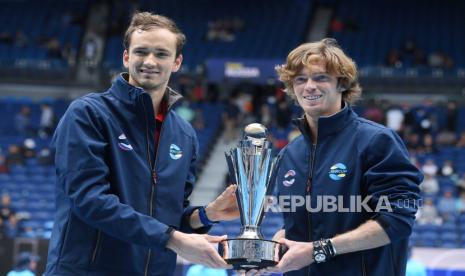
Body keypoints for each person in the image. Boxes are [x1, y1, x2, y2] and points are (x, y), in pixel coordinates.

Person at [45, 12, 239, 276]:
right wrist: (173, 239)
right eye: (141, 52)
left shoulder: (184, 134)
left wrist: (206, 215)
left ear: (177, 62)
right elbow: (89, 200)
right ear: (126, 57)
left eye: (161, 54)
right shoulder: (88, 114)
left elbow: (168, 218)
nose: (150, 61)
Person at [249, 38, 423, 275]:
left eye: (320, 77)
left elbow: (398, 220)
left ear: (342, 84)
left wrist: (319, 250)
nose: (309, 86)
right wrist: (275, 250)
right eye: (300, 79)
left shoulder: (377, 141)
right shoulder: (290, 153)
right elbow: (299, 226)